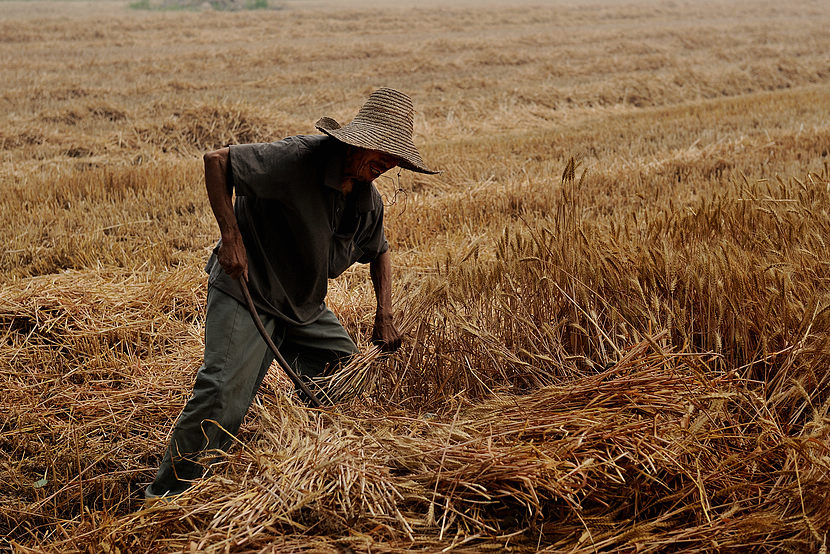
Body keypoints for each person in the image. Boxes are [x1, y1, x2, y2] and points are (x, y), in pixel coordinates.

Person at [145, 88, 437, 500]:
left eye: (393, 160)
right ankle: (167, 499)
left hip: (303, 306)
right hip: (250, 292)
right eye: (381, 153)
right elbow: (217, 162)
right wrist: (230, 237)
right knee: (222, 394)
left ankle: (315, 464)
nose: (386, 165)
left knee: (347, 377)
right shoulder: (297, 159)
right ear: (357, 140)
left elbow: (380, 251)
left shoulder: (366, 200)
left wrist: (383, 313)